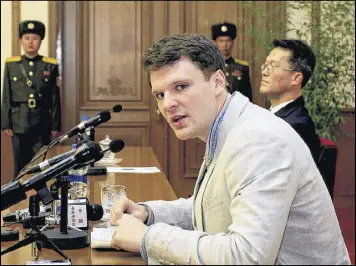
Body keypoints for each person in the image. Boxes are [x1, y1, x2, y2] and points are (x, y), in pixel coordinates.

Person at [109, 34, 350, 265]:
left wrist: (148, 238)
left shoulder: (258, 139)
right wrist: (148, 213)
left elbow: (247, 256)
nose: (168, 103)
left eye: (181, 87)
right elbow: (211, 206)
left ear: (217, 82)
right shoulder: (227, 127)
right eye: (160, 94)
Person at [1, 20, 62, 178]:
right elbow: (6, 95)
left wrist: (56, 125)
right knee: (20, 166)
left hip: (42, 122)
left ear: (40, 41)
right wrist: (5, 123)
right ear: (21, 40)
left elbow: (55, 97)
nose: (30, 42)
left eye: (34, 38)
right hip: (18, 123)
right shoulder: (11, 65)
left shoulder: (50, 65)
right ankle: (18, 200)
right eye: (27, 38)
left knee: (42, 165)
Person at [259, 39, 320, 163]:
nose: (264, 72)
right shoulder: (273, 116)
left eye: (273, 66)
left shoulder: (295, 125)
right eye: (265, 65)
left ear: (296, 78)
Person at [211, 21, 253, 102]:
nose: (225, 45)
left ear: (233, 42)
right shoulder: (209, 66)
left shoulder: (241, 67)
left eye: (228, 41)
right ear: (215, 42)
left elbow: (247, 95)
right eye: (221, 41)